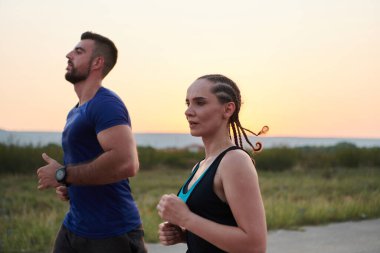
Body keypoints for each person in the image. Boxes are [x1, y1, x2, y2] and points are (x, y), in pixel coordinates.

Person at [36, 31, 147, 253]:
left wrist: (63, 174)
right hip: (74, 226)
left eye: (78, 51)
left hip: (111, 233)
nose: (68, 55)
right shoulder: (75, 111)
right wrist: (73, 186)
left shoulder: (106, 104)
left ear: (97, 62)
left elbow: (126, 163)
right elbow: (89, 164)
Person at [157, 74, 268, 253]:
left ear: (227, 109)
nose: (188, 111)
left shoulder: (234, 161)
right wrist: (185, 235)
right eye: (188, 103)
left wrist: (186, 219)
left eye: (200, 103)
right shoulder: (200, 166)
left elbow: (255, 246)